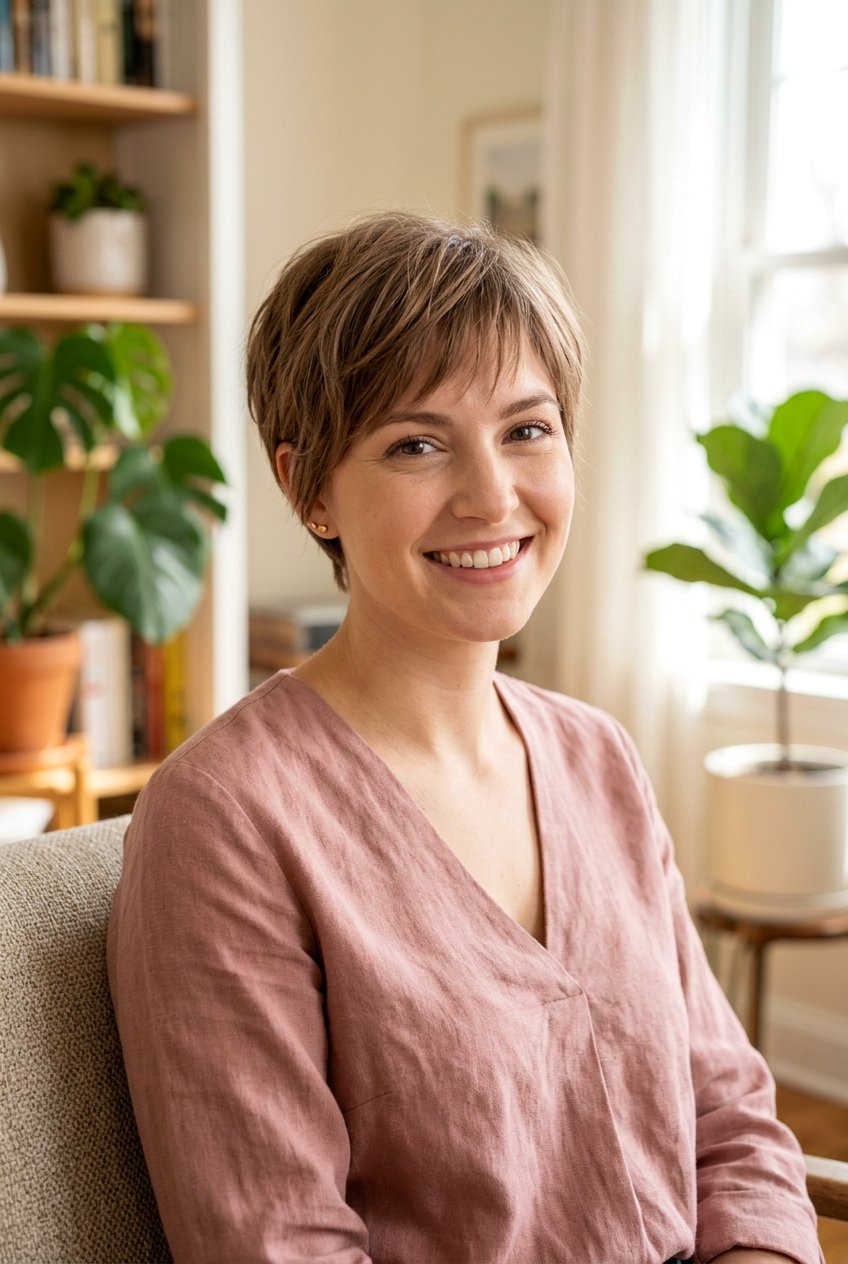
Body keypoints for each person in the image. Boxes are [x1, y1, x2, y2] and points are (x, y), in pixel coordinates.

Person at [107, 212, 823, 1264]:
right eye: (415, 443)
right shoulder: (224, 818)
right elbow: (279, 1244)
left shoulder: (598, 759)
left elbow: (728, 1122)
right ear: (308, 488)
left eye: (526, 430)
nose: (492, 495)